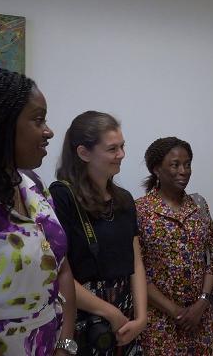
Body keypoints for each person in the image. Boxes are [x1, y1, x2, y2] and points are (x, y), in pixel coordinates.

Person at [0, 65, 77, 355]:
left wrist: (66, 344)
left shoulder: (31, 184)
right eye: (37, 120)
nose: (49, 131)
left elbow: (62, 267)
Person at [49, 111, 147, 355]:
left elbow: (135, 261)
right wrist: (110, 312)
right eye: (113, 149)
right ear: (83, 153)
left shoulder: (124, 200)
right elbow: (57, 272)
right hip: (83, 317)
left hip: (127, 315)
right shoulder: (61, 197)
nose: (122, 155)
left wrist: (141, 318)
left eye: (122, 146)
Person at [135, 137, 213, 355]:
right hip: (160, 323)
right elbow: (137, 270)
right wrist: (176, 311)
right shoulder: (140, 210)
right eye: (175, 165)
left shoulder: (199, 205)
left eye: (187, 164)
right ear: (156, 169)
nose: (183, 171)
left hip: (202, 319)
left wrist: (203, 301)